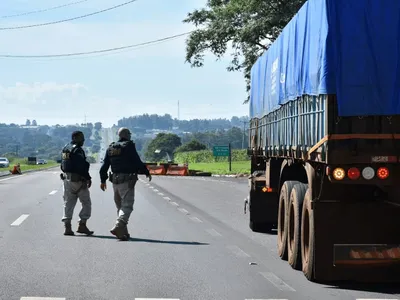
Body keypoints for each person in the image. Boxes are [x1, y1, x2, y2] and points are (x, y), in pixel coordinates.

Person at [99, 127, 152, 241]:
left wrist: (103, 180)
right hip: (127, 181)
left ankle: (123, 232)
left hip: (115, 181)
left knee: (120, 207)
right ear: (127, 135)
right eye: (129, 134)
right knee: (127, 206)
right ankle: (118, 226)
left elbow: (104, 166)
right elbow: (137, 161)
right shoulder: (129, 146)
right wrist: (146, 172)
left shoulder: (111, 147)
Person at [60, 131, 94, 236]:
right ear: (75, 138)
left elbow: (63, 165)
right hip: (78, 180)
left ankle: (67, 227)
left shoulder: (66, 148)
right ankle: (82, 224)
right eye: (81, 138)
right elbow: (81, 167)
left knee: (68, 204)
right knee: (86, 203)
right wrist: (87, 178)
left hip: (67, 179)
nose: (83, 140)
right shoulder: (77, 150)